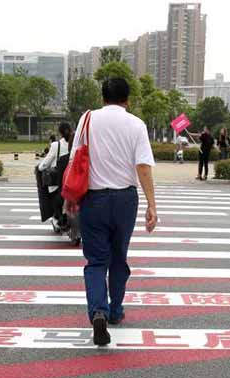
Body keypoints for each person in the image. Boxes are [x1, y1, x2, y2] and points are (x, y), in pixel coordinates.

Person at [68, 77, 158, 346]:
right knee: (119, 258)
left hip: (93, 200)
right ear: (127, 99)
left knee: (96, 262)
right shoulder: (137, 124)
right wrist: (152, 204)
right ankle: (115, 310)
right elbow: (143, 166)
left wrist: (70, 198)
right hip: (125, 201)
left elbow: (75, 159)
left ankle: (98, 311)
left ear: (103, 96)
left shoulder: (87, 119)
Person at [37, 122, 72, 230]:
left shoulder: (56, 145)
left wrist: (39, 167)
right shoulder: (76, 144)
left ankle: (54, 216)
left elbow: (45, 164)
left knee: (46, 189)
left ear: (60, 133)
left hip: (58, 182)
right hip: (74, 180)